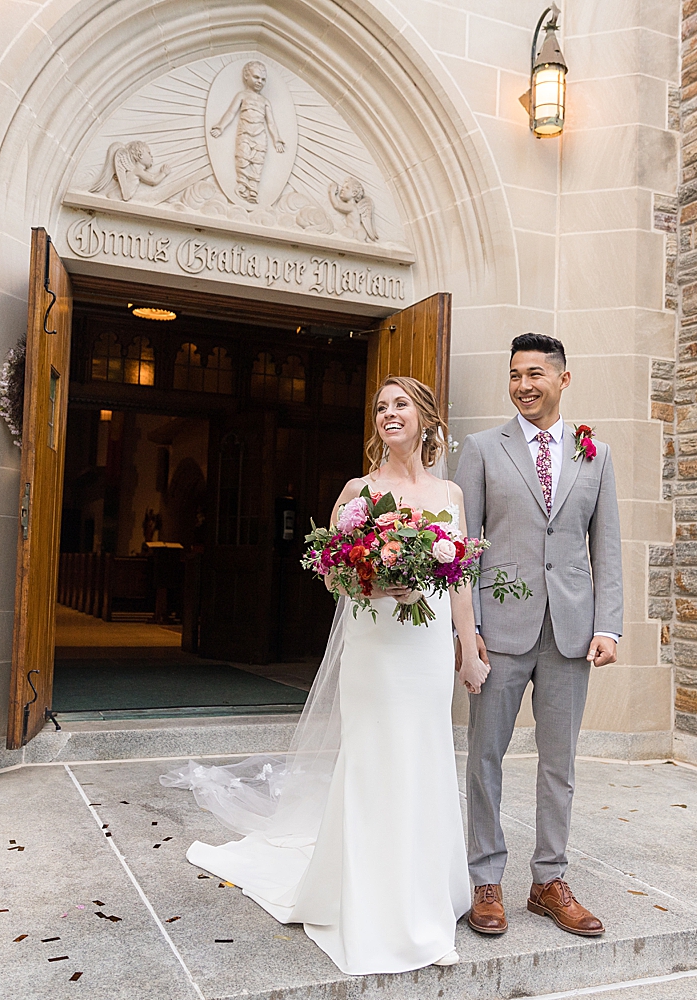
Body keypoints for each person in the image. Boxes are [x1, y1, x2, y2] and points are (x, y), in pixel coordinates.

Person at [163, 376, 488, 974]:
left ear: (425, 418)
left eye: (400, 406)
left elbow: (460, 578)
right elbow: (333, 573)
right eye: (381, 407)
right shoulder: (357, 492)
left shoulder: (449, 493)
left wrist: (468, 648)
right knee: (373, 760)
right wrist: (370, 580)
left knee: (425, 758)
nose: (389, 414)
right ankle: (373, 906)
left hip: (424, 648)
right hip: (375, 646)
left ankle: (424, 901)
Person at [453, 333, 624, 938]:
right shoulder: (480, 449)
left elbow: (606, 546)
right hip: (499, 629)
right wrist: (467, 634)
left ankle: (548, 879)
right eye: (515, 375)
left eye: (535, 374)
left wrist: (608, 625)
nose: (523, 385)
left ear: (562, 379)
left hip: (571, 632)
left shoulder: (595, 453)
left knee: (560, 762)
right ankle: (486, 879)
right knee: (485, 760)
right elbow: (464, 550)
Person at [210, 60, 285, 204]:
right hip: (245, 133)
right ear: (246, 76)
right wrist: (220, 126)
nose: (260, 82)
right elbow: (231, 113)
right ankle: (242, 186)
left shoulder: (265, 101)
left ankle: (253, 190)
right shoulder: (242, 95)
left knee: (258, 162)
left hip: (260, 136)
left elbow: (271, 123)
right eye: (256, 77)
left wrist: (277, 139)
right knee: (243, 157)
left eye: (263, 79)